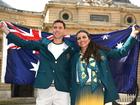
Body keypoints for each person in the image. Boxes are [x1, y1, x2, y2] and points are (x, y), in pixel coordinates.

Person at [0, 20, 76, 105]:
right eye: (55, 27)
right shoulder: (43, 43)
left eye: (60, 28)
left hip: (63, 88)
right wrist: (6, 31)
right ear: (52, 30)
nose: (57, 30)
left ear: (64, 30)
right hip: (44, 87)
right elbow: (24, 43)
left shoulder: (71, 47)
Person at [70, 26, 140, 105]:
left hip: (96, 89)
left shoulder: (101, 52)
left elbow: (121, 52)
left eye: (84, 37)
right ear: (77, 42)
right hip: (79, 90)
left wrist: (133, 34)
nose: (81, 40)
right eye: (78, 38)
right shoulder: (75, 56)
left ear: (89, 39)